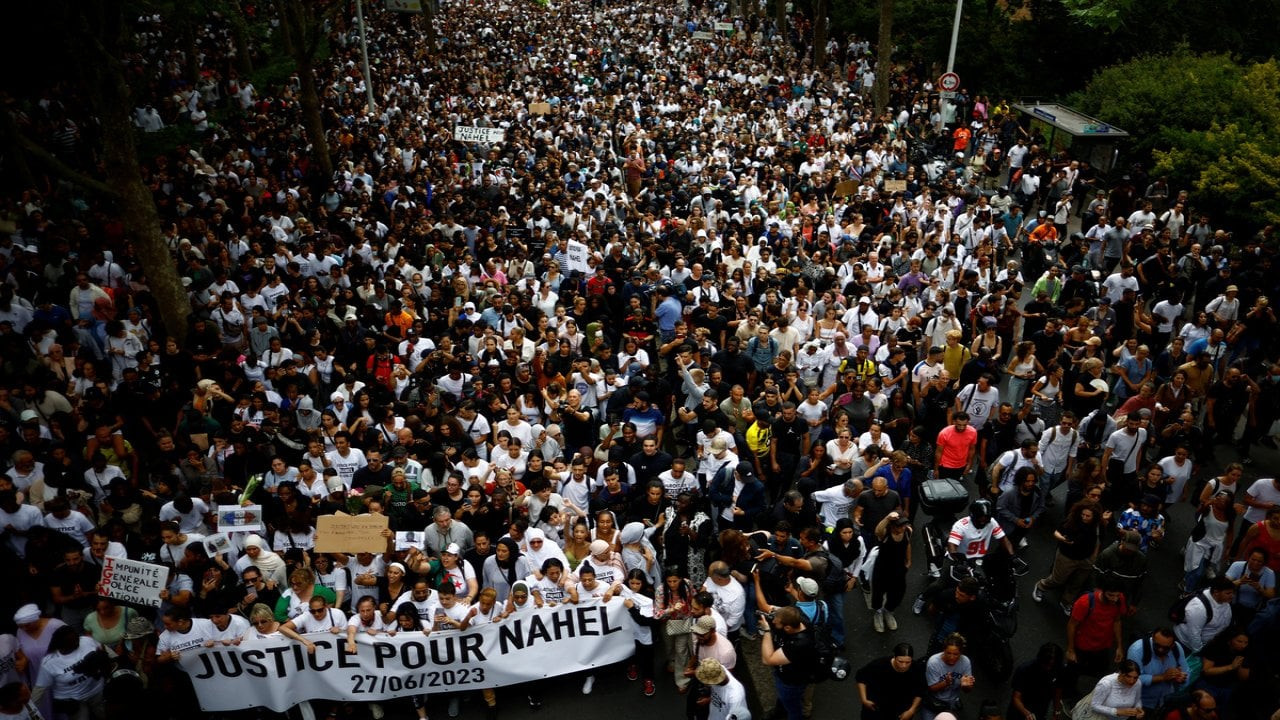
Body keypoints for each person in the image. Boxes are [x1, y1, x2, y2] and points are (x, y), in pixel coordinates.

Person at [759, 605, 818, 720]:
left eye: (777, 623)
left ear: (788, 628)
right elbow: (791, 611)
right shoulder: (800, 618)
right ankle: (779, 711)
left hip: (791, 682)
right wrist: (777, 610)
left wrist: (766, 631)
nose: (773, 622)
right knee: (784, 698)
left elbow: (767, 659)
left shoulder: (798, 644)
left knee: (793, 708)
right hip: (788, 674)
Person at [1125, 628, 1190, 714]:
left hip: (1165, 700)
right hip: (1140, 702)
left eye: (1166, 648)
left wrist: (1181, 678)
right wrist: (1163, 677)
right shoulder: (1137, 650)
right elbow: (1130, 678)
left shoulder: (1177, 649)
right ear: (1152, 638)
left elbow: (1187, 672)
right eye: (1157, 645)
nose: (1160, 650)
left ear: (1172, 645)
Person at [856, 643, 925, 720]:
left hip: (900, 714)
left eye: (908, 662)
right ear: (894, 657)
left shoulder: (916, 669)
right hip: (876, 711)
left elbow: (920, 690)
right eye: (900, 661)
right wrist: (864, 699)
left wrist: (911, 710)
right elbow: (861, 676)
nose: (904, 666)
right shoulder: (879, 665)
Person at [1173, 577, 1235, 654]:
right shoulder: (1198, 608)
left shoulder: (1224, 600)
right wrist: (1199, 652)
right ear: (1216, 592)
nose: (1232, 596)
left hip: (1210, 643)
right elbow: (1194, 634)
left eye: (1232, 593)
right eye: (1228, 593)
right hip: (1187, 645)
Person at [922, 633, 975, 720]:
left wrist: (966, 686)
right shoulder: (933, 663)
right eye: (948, 653)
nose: (951, 657)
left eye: (956, 654)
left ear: (961, 653)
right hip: (934, 701)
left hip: (952, 702)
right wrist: (945, 683)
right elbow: (931, 688)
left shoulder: (965, 662)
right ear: (944, 650)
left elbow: (967, 690)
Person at [1008, 643, 1067, 720]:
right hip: (1020, 710)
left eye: (1052, 666)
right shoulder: (1025, 670)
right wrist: (1027, 714)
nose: (1048, 668)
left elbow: (1057, 692)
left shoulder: (1059, 669)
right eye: (1046, 664)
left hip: (1040, 710)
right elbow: (1016, 698)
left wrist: (1056, 712)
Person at [1080, 660, 1145, 720]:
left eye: (1135, 677)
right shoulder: (1106, 684)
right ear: (1120, 673)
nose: (1132, 681)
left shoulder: (1138, 683)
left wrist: (1138, 709)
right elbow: (1094, 705)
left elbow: (1137, 700)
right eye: (1128, 676)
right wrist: (1117, 711)